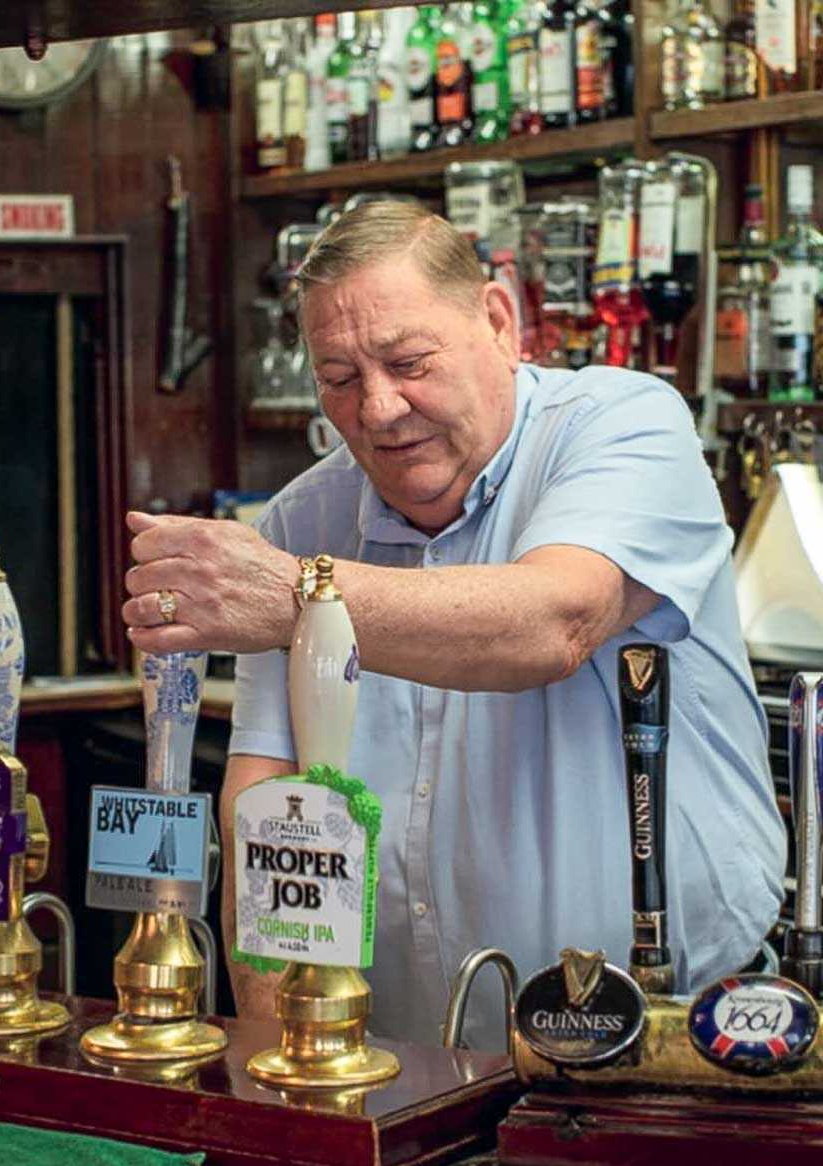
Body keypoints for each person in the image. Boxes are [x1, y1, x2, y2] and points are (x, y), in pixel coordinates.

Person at [123, 200, 786, 1050]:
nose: (378, 408)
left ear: (499, 321)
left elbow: (554, 623)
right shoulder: (301, 522)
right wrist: (278, 1059)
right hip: (403, 1060)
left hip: (678, 1030)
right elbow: (264, 809)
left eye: (409, 362)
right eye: (337, 378)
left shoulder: (625, 424)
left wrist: (299, 599)